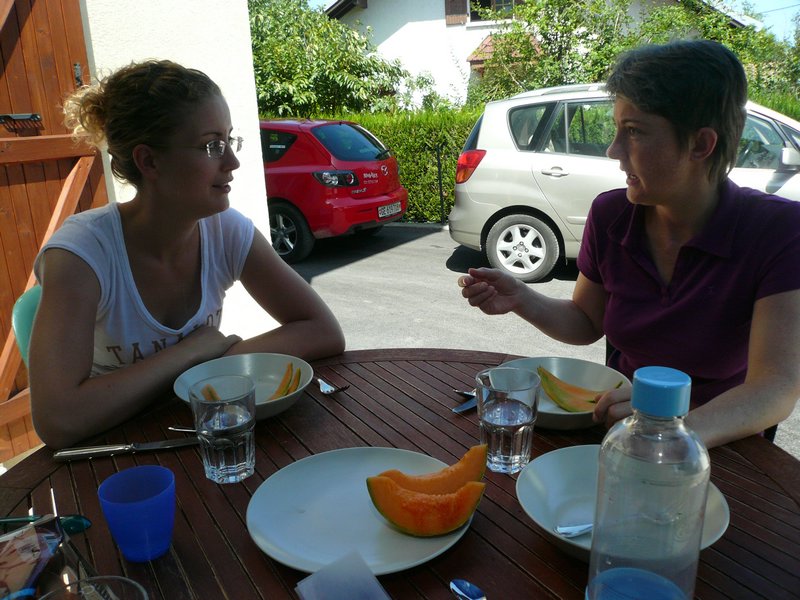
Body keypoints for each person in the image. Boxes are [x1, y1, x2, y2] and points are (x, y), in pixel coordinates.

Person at [459, 40, 800, 449]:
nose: (613, 150)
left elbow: (775, 387)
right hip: (619, 433)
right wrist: (521, 297)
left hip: (725, 450)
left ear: (700, 144)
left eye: (634, 132)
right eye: (617, 129)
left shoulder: (779, 231)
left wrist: (667, 432)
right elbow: (587, 321)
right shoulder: (610, 216)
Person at [29, 60, 345, 449]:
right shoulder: (83, 254)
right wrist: (192, 351)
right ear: (149, 161)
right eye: (212, 146)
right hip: (109, 453)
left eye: (230, 141)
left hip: (192, 435)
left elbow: (323, 331)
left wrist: (208, 366)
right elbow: (57, 419)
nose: (232, 162)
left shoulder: (226, 231)